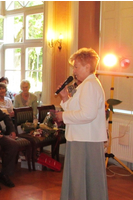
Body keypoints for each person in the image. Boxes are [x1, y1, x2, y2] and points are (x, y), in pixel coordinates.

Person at [55, 48, 108, 200]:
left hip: (86, 139)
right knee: (79, 178)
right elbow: (78, 108)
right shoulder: (86, 84)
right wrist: (65, 98)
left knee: (84, 179)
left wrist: (63, 116)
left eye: (76, 66)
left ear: (87, 67)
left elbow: (88, 114)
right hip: (81, 137)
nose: (74, 70)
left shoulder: (90, 85)